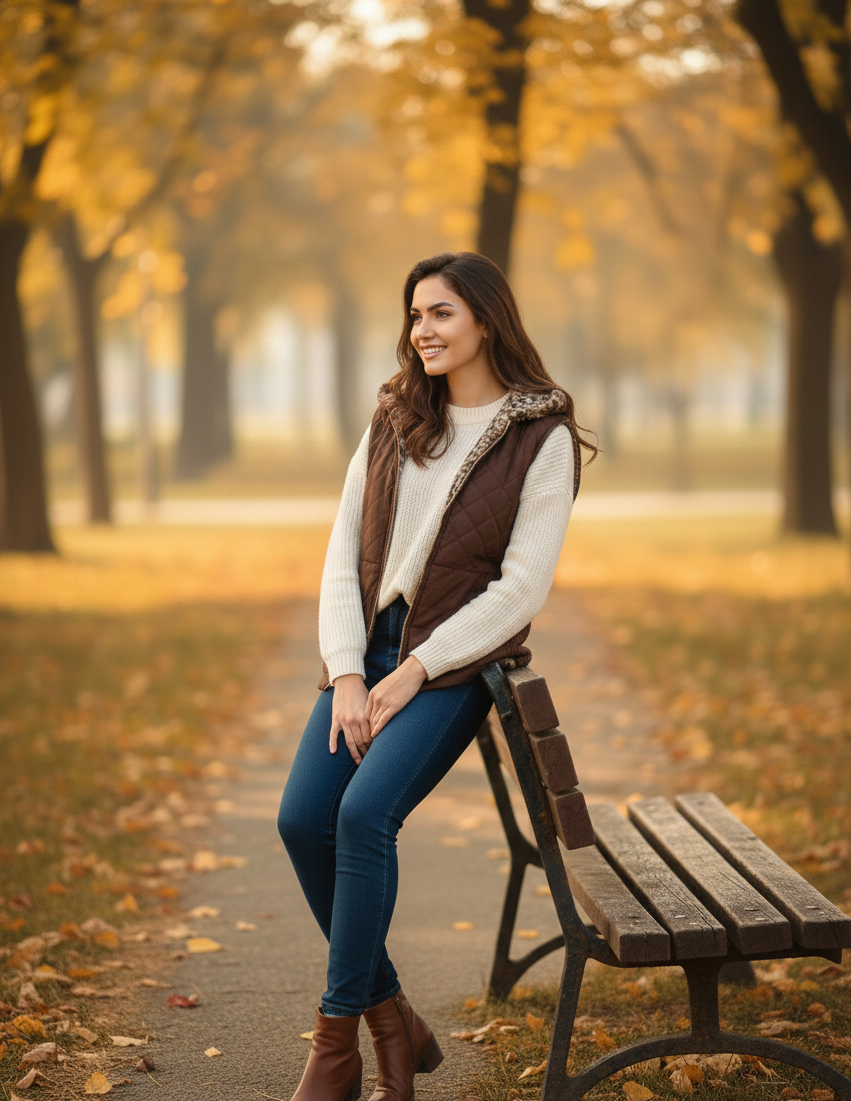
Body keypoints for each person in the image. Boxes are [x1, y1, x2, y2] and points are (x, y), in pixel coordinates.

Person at [277, 251, 596, 1101]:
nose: (422, 329)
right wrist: (348, 671)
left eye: (441, 313)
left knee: (364, 812)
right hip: (366, 655)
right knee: (301, 817)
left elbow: (521, 588)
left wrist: (417, 667)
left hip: (448, 668)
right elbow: (340, 552)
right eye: (415, 314)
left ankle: (336, 1044)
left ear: (486, 320)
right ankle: (395, 1022)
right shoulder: (393, 417)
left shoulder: (542, 435)